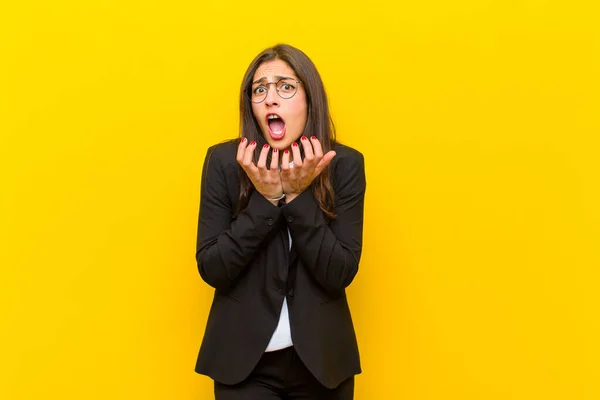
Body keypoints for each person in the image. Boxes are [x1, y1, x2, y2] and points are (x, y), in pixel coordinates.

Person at [194, 43, 366, 399]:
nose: (271, 98)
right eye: (260, 89)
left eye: (285, 86)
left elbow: (340, 272)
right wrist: (268, 199)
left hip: (323, 367)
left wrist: (298, 197)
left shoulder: (345, 165)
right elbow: (213, 268)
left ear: (309, 98)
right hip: (243, 367)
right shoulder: (224, 163)